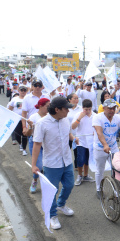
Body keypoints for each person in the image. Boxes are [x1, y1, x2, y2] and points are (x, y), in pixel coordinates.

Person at [31, 97, 76, 230]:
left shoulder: (66, 120)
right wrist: (34, 165)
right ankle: (52, 215)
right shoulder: (42, 123)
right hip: (51, 164)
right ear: (57, 109)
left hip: (67, 160)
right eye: (66, 108)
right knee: (51, 190)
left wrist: (75, 139)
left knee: (69, 185)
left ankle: (61, 204)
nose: (68, 110)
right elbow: (37, 144)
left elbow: (68, 134)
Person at [93, 98, 120, 199]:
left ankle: (118, 188)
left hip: (113, 147)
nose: (112, 110)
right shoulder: (97, 117)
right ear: (104, 108)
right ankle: (99, 189)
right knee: (99, 169)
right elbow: (99, 133)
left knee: (117, 168)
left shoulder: (118, 118)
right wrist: (105, 145)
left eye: (114, 108)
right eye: (110, 108)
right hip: (100, 148)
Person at [25, 98, 50, 193]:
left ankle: (47, 183)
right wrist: (31, 126)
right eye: (47, 106)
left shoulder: (50, 117)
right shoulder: (33, 117)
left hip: (47, 143)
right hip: (35, 142)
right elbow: (27, 134)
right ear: (40, 106)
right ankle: (35, 180)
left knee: (48, 164)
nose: (49, 108)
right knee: (38, 165)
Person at [71, 99, 95, 185]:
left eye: (89, 109)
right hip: (80, 141)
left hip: (91, 141)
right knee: (80, 159)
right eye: (86, 109)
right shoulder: (78, 115)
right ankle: (80, 175)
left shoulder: (95, 115)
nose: (87, 111)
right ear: (82, 108)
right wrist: (79, 118)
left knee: (87, 159)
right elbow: (73, 127)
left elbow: (98, 127)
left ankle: (86, 175)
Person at [8, 85, 28, 156]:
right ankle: (20, 143)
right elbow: (10, 108)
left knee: (25, 134)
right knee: (17, 134)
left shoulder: (28, 98)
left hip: (25, 119)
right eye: (21, 90)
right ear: (18, 91)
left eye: (24, 90)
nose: (23, 92)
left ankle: (24, 149)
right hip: (16, 119)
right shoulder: (15, 99)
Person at [66, 93, 81, 170]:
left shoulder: (80, 109)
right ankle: (65, 164)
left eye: (77, 98)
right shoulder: (66, 109)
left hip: (77, 134)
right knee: (66, 150)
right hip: (67, 134)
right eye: (74, 98)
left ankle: (77, 166)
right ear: (69, 99)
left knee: (77, 151)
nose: (76, 100)